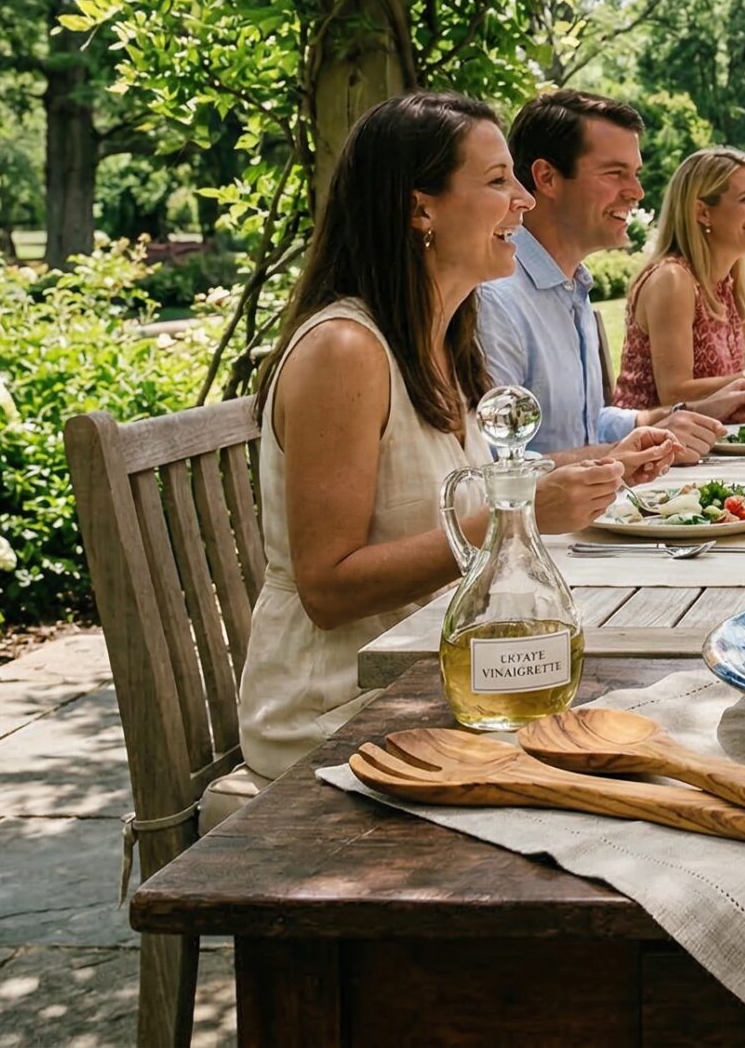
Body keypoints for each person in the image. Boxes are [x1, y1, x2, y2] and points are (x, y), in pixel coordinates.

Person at [239, 93, 626, 782]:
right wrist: (518, 515)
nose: (523, 201)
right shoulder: (345, 349)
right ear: (421, 208)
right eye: (496, 181)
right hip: (340, 712)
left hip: (441, 680)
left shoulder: (447, 344)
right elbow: (326, 589)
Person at [476, 89, 745, 462]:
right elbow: (495, 465)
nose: (637, 192)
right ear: (546, 178)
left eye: (635, 174)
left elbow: (583, 426)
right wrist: (622, 453)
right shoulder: (496, 300)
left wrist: (681, 416)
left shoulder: (571, 286)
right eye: (615, 173)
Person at [615, 148, 745, 408]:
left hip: (709, 440)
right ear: (702, 212)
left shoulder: (731, 278)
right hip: (653, 443)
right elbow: (674, 394)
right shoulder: (673, 280)